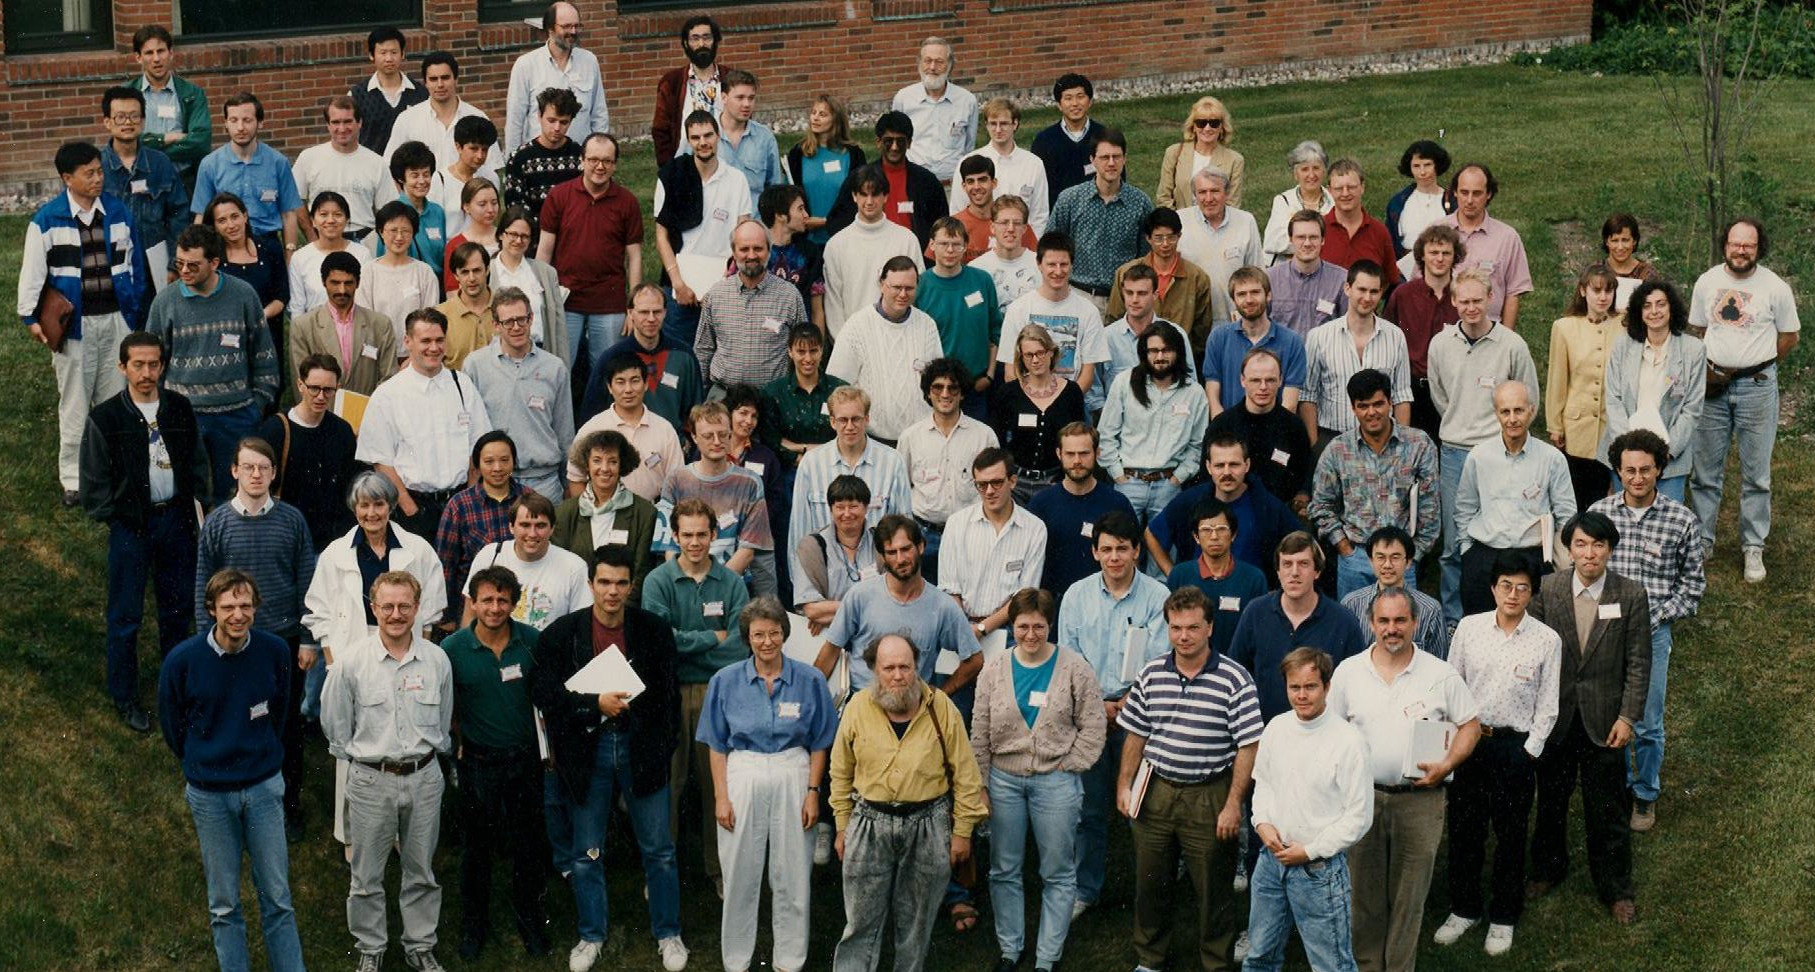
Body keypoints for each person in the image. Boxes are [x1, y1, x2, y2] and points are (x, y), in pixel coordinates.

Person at [530, 548, 690, 972]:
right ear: (590, 584)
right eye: (604, 582)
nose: (612, 591)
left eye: (621, 583)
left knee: (659, 849)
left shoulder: (653, 630)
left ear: (631, 585)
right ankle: (591, 935)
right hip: (588, 750)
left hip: (641, 749)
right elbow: (545, 694)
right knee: (587, 852)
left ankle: (668, 932)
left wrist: (661, 746)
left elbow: (669, 698)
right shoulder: (564, 633)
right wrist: (593, 704)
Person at [157, 569, 306, 972]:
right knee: (224, 905)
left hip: (263, 789)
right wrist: (203, 760)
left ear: (256, 607)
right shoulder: (183, 661)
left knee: (278, 898)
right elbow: (173, 727)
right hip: (210, 795)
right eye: (228, 607)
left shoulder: (275, 651)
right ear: (211, 610)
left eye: (245, 605)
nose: (238, 615)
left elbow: (280, 713)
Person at [1327, 588, 1481, 972]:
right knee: (1363, 897)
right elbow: (1330, 733)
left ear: (1414, 622)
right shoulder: (1348, 672)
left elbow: (1470, 726)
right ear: (1371, 623)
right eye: (1383, 621)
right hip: (1363, 801)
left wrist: (1447, 764)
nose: (1391, 629)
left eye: (1400, 620)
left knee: (1409, 899)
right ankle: (1367, 966)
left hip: (1420, 801)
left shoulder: (1440, 674)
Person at [1115, 586, 1262, 972]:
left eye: (1193, 627)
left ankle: (1215, 962)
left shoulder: (1234, 678)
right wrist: (1124, 785)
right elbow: (1136, 735)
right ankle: (1150, 958)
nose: (1184, 636)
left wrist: (1233, 804)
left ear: (1209, 627)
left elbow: (1248, 745)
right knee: (1150, 881)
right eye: (1176, 628)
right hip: (1156, 790)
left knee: (1214, 888)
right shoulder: (1151, 673)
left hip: (1209, 793)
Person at [321, 570, 454, 972]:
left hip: (424, 778)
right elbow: (336, 724)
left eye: (404, 606)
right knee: (365, 874)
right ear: (374, 608)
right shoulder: (352, 662)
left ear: (417, 608)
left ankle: (420, 944)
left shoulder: (436, 660)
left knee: (421, 870)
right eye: (388, 606)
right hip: (370, 780)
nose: (396, 614)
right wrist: (366, 759)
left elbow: (443, 722)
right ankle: (370, 946)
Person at [1526, 512, 1652, 925]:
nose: (1589, 553)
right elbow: (1534, 654)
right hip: (1557, 720)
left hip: (1605, 723)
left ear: (1610, 550)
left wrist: (1628, 718)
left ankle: (1615, 888)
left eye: (1598, 545)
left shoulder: (1630, 594)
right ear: (1568, 549)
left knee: (1608, 810)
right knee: (1551, 802)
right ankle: (1548, 869)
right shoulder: (1548, 589)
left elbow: (1639, 663)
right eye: (1580, 544)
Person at [699, 598, 838, 972]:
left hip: (793, 769)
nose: (767, 642)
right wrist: (722, 797)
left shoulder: (810, 680)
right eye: (758, 635)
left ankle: (789, 959)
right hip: (743, 770)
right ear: (747, 637)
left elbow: (820, 742)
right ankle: (736, 959)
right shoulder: (725, 681)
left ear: (784, 635)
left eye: (774, 633)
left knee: (793, 870)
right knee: (739, 870)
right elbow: (716, 745)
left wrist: (813, 794)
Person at [1433, 553, 1561, 957]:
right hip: (1470, 742)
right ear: (1493, 588)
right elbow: (1451, 687)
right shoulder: (1469, 629)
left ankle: (1504, 917)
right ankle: (1464, 909)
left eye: (1522, 587)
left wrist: (1528, 753)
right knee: (1465, 830)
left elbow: (1548, 707)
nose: (1513, 594)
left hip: (1514, 748)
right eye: (1506, 585)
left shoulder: (1547, 640)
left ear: (1532, 593)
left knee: (1510, 835)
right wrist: (1451, 746)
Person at [971, 588, 1106, 972]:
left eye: (1039, 627)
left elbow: (1094, 724)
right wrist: (981, 783)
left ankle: (1047, 957)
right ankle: (1010, 950)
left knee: (1058, 872)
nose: (1031, 635)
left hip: (1055, 781)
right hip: (1004, 781)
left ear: (1051, 625)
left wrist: (1071, 764)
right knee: (1004, 868)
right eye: (1023, 627)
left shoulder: (1074, 667)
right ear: (1012, 627)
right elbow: (979, 730)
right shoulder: (994, 668)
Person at [81, 331, 205, 731]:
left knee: (177, 610)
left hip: (175, 523)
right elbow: (93, 481)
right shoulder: (106, 418)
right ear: (123, 367)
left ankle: (177, 690)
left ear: (162, 366)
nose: (147, 373)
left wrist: (195, 507)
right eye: (138, 365)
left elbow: (197, 464)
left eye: (153, 364)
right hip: (131, 527)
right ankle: (124, 695)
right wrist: (117, 517)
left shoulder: (179, 409)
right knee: (125, 615)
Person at [193, 437, 318, 835]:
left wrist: (309, 638)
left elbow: (308, 582)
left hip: (283, 641)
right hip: (232, 643)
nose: (256, 474)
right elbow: (204, 586)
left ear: (274, 473)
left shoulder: (292, 520)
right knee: (236, 721)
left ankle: (288, 807)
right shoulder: (217, 523)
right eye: (248, 467)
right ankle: (236, 804)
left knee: (285, 726)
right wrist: (207, 644)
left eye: (264, 467)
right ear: (234, 471)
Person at [1050, 512, 1168, 916]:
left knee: (1143, 807)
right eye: (1106, 549)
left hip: (1142, 715)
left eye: (1122, 548)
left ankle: (1150, 892)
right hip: (1089, 713)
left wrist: (1131, 702)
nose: (1114, 557)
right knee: (1089, 808)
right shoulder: (1076, 596)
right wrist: (1097, 704)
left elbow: (1161, 659)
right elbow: (1069, 659)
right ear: (1094, 552)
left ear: (1136, 551)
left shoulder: (1157, 597)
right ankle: (1086, 890)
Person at [21, 140, 149, 506]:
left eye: (99, 171)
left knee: (115, 399)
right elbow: (33, 273)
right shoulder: (47, 220)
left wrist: (133, 310)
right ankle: (74, 479)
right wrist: (30, 316)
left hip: (116, 321)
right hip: (74, 328)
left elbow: (135, 264)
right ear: (67, 178)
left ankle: (116, 470)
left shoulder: (118, 212)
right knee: (75, 403)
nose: (98, 178)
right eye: (88, 173)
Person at [1589, 430, 1705, 832]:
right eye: (1629, 471)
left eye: (1645, 470)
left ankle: (1645, 794)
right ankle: (1618, 785)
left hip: (1652, 634)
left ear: (1659, 470)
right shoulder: (1600, 514)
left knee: (1648, 722)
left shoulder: (1681, 520)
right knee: (1610, 713)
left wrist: (1657, 616)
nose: (1637, 478)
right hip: (1606, 631)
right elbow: (1584, 571)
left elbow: (1693, 587)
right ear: (1618, 471)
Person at [643, 497, 754, 895]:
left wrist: (685, 644)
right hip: (669, 692)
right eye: (686, 535)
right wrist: (711, 638)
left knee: (716, 786)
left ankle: (718, 867)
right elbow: (658, 643)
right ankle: (661, 871)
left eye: (701, 535)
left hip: (717, 693)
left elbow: (740, 646)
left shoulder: (732, 583)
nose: (694, 543)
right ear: (674, 536)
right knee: (668, 785)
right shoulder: (658, 581)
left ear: (714, 535)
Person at [443, 565, 551, 960]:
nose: (494, 607)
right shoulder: (453, 648)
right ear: (473, 602)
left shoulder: (532, 641)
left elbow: (545, 696)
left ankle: (531, 922)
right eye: (486, 599)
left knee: (528, 847)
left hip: (524, 761)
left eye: (503, 600)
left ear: (514, 603)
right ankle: (473, 926)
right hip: (478, 762)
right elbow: (448, 704)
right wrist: (458, 739)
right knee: (477, 850)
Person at [1244, 647, 1373, 972]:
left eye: (1310, 687)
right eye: (1294, 687)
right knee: (1259, 956)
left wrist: (1310, 851)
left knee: (1331, 965)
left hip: (1318, 870)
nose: (1301, 696)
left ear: (1327, 687)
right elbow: (1263, 785)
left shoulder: (1348, 741)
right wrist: (1262, 824)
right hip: (1271, 862)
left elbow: (1359, 817)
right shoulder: (1276, 728)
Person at [1687, 216, 1798, 582]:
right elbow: (1698, 329)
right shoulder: (1707, 282)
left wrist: (1758, 364)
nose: (1741, 250)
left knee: (1757, 475)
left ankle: (1753, 546)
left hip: (1757, 386)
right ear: (1725, 245)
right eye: (1735, 243)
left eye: (1748, 245)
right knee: (1705, 472)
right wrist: (1716, 368)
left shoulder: (1775, 287)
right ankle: (1702, 540)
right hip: (1713, 386)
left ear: (1758, 248)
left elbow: (1789, 337)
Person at [1430, 270, 1541, 621]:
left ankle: (1503, 615)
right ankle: (1454, 619)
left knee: (1500, 536)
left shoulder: (1512, 345)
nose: (1471, 307)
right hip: (1456, 451)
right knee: (1453, 543)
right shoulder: (1440, 344)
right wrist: (1461, 424)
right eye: (1464, 301)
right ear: (1453, 301)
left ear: (1491, 299)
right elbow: (1440, 396)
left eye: (1477, 300)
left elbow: (1529, 399)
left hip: (1500, 452)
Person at [147, 224, 279, 506]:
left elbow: (264, 354)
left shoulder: (243, 295)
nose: (184, 271)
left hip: (237, 415)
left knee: (233, 495)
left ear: (215, 262)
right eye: (179, 263)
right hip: (182, 415)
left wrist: (257, 404)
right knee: (184, 493)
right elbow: (152, 361)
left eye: (193, 265)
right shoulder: (165, 301)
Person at [301, 470, 448, 716]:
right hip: (352, 648)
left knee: (402, 714)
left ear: (391, 506)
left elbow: (431, 609)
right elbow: (319, 613)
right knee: (357, 718)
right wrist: (332, 663)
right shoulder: (334, 553)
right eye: (364, 505)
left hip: (404, 646)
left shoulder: (418, 549)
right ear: (354, 508)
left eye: (379, 504)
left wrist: (420, 652)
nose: (372, 513)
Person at [357, 308, 495, 538]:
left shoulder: (462, 385)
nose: (434, 347)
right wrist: (410, 509)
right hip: (413, 509)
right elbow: (381, 462)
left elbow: (479, 446)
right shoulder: (388, 394)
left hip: (461, 504)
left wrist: (470, 497)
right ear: (407, 342)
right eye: (426, 341)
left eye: (439, 340)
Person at [812, 514, 983, 694]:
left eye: (906, 549)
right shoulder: (860, 595)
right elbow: (830, 651)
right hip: (863, 702)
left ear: (921, 547)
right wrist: (810, 697)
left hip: (913, 705)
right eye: (892, 552)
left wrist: (939, 697)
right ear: (883, 557)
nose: (900, 559)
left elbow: (975, 659)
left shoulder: (942, 605)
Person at [1307, 368, 1441, 597]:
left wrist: (1414, 555)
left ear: (1390, 402)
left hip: (1401, 559)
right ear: (1353, 408)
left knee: (1401, 620)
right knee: (1354, 621)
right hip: (1355, 559)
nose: (1371, 412)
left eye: (1378, 404)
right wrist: (1345, 549)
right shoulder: (1337, 450)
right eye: (1363, 406)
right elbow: (1320, 505)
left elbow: (1430, 508)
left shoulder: (1419, 444)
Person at [1453, 380, 1574, 617]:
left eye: (1518, 410)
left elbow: (1566, 515)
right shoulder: (1479, 457)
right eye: (1505, 411)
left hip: (1533, 558)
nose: (1512, 419)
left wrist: (1556, 563)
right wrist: (1468, 551)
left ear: (1531, 410)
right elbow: (1464, 508)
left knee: (1535, 630)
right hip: (1485, 558)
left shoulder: (1552, 459)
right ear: (1496, 414)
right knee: (1481, 628)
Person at [537, 133, 644, 374]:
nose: (600, 166)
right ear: (582, 161)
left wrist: (633, 305)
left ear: (615, 165)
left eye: (607, 161)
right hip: (565, 301)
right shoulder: (559, 196)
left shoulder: (627, 202)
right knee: (559, 370)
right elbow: (544, 251)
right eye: (594, 159)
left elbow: (635, 256)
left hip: (609, 302)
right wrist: (542, 298)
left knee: (610, 371)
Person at [462, 287, 573, 498]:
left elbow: (565, 432)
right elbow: (468, 428)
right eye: (508, 322)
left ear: (531, 319)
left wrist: (568, 484)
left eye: (522, 319)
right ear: (496, 325)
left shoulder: (554, 367)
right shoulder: (475, 365)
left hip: (544, 482)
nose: (516, 327)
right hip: (494, 482)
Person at [655, 110, 752, 347]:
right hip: (680, 287)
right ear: (688, 141)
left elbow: (743, 234)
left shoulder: (736, 180)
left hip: (724, 284)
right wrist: (678, 283)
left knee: (724, 354)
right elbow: (661, 236)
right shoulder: (671, 175)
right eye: (696, 137)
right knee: (679, 355)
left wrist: (727, 281)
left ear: (718, 136)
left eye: (708, 135)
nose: (703, 142)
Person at [1146, 436, 1301, 580]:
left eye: (1234, 465)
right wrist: (1175, 577)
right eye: (1219, 465)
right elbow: (1151, 534)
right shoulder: (1191, 500)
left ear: (1246, 465)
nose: (1227, 472)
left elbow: (1301, 543)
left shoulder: (1266, 505)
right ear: (1208, 467)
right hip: (1198, 593)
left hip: (1249, 594)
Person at [1098, 321, 1207, 523]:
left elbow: (1198, 444)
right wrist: (1117, 474)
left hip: (1169, 485)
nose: (1160, 357)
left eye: (1167, 350)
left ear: (1178, 352)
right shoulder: (1124, 382)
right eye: (1154, 351)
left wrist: (1178, 478)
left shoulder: (1194, 392)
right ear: (1144, 353)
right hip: (1128, 482)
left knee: (1164, 544)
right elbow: (1106, 434)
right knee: (1123, 541)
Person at [937, 448, 1049, 644]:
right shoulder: (956, 523)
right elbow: (949, 588)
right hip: (960, 624)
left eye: (996, 483)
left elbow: (1024, 596)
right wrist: (965, 630)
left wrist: (982, 629)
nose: (989, 491)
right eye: (981, 485)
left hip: (1009, 630)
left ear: (1012, 481)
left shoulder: (1035, 528)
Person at [897, 358, 1000, 568]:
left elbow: (996, 486)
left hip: (971, 535)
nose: (945, 394)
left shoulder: (984, 436)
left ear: (962, 393)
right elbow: (901, 489)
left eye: (953, 388)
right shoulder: (910, 437)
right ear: (928, 392)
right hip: (924, 536)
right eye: (938, 387)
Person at [654, 403, 773, 584]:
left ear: (730, 433)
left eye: (723, 434)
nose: (717, 442)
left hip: (731, 583)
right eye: (708, 436)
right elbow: (668, 546)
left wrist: (714, 587)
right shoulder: (676, 480)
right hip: (683, 582)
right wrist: (687, 584)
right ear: (694, 437)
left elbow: (748, 550)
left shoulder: (750, 483)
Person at [828, 258, 944, 442]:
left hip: (920, 438)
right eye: (896, 287)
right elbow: (836, 385)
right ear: (882, 285)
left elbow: (938, 382)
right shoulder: (856, 327)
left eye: (909, 288)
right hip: (872, 438)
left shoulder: (927, 325)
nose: (903, 294)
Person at [258, 353, 361, 557]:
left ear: (337, 388)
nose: (321, 396)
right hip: (286, 541)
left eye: (328, 390)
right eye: (314, 388)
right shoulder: (276, 429)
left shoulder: (341, 431)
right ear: (300, 385)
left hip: (331, 544)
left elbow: (351, 487)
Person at [788, 387, 913, 553]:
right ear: (832, 422)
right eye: (843, 420)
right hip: (824, 564)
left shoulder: (892, 462)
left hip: (876, 564)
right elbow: (799, 529)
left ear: (866, 419)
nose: (849, 426)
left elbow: (903, 524)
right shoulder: (811, 464)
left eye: (856, 419)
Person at [1300, 262, 1412, 447]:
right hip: (1332, 438)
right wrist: (1314, 445)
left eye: (1374, 291)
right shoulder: (1319, 337)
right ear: (1347, 288)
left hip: (1381, 440)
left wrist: (1400, 446)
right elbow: (1307, 396)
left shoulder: (1395, 336)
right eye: (1362, 290)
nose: (1367, 298)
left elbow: (1401, 396)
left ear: (1381, 293)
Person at [997, 233, 1110, 410]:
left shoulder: (1088, 311)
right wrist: (1035, 405)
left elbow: (1087, 375)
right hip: (1027, 405)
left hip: (1071, 403)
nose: (1058, 271)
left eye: (1063, 264)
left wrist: (1060, 406)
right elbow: (1010, 372)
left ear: (1072, 265)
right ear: (1039, 264)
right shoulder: (1018, 309)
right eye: (1051, 264)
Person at [1046, 129, 1151, 315]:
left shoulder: (1140, 203)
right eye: (1104, 157)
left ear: (1124, 159)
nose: (1111, 163)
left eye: (1116, 157)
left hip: (1123, 299)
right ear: (1092, 160)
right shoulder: (1070, 199)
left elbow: (1146, 254)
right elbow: (1051, 246)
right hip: (1078, 295)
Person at [1025, 423, 1137, 597]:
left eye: (1084, 453)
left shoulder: (1117, 503)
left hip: (1103, 601)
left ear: (1097, 453)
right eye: (1070, 454)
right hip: (1052, 604)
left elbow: (1132, 558)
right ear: (1059, 454)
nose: (1077, 461)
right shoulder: (1041, 504)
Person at [696, 218, 809, 390]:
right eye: (744, 249)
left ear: (769, 251)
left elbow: (803, 348)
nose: (751, 255)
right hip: (724, 396)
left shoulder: (789, 296)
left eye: (758, 248)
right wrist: (700, 395)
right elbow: (703, 349)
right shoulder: (716, 295)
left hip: (772, 396)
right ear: (734, 253)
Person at [1546, 264, 1623, 510]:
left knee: (1605, 496)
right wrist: (1555, 424)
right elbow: (1557, 378)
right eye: (1596, 291)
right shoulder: (1565, 327)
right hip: (1576, 426)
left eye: (1608, 291)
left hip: (1610, 427)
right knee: (1576, 497)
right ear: (1582, 291)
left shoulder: (1623, 326)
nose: (1603, 297)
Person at [823, 163, 929, 336]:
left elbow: (918, 294)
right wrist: (845, 343)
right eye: (864, 194)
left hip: (901, 336)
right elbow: (833, 304)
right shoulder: (836, 245)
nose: (870, 201)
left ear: (885, 196)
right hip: (853, 340)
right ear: (854, 196)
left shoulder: (907, 240)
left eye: (875, 194)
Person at [100, 85, 188, 291]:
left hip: (155, 265)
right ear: (107, 122)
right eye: (120, 117)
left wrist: (174, 263)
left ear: (143, 121)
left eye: (134, 116)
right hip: (110, 266)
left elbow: (179, 215)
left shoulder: (160, 164)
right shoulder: (96, 167)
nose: (128, 123)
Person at [552, 428, 660, 596]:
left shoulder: (645, 513)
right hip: (576, 604)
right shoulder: (565, 513)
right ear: (586, 464)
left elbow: (641, 573)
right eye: (597, 460)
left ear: (622, 465)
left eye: (612, 461)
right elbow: (560, 571)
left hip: (625, 605)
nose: (604, 468)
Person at [567, 352, 686, 501]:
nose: (628, 389)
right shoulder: (592, 429)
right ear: (609, 387)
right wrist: (590, 511)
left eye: (635, 381)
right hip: (604, 512)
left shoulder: (664, 429)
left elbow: (678, 482)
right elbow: (576, 479)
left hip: (654, 512)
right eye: (620, 382)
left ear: (646, 384)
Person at [1383, 223, 1464, 442]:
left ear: (1455, 257)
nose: (1440, 259)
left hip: (1452, 391)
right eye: (1433, 252)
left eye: (1446, 253)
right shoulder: (1403, 295)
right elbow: (1387, 339)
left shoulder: (1463, 296)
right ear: (1422, 255)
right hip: (1412, 391)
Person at [463, 492, 592, 630]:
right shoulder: (490, 556)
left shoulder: (574, 567)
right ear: (511, 527)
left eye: (540, 526)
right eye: (525, 525)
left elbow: (582, 625)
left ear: (552, 528)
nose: (532, 534)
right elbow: (470, 617)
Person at [192, 93, 303, 251]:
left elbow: (288, 214)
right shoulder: (209, 165)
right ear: (225, 123)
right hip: (225, 247)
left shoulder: (278, 162)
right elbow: (201, 216)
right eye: (233, 120)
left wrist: (289, 253)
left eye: (247, 120)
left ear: (260, 122)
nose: (240, 128)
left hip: (268, 245)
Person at [1205, 346, 1313, 508]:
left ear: (1280, 380)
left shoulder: (1294, 427)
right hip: (1229, 512)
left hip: (1278, 512)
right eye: (1255, 380)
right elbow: (1206, 478)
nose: (1263, 387)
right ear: (1242, 380)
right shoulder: (1221, 425)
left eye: (1270, 380)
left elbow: (1303, 478)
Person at [991, 324, 1088, 502]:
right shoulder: (1008, 392)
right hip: (1016, 483)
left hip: (1054, 482)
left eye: (1040, 353)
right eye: (1029, 355)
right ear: (1021, 358)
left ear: (1051, 352)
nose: (1035, 360)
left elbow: (1079, 438)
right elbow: (998, 439)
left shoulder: (1071, 392)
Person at [915, 219, 1001, 418]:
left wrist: (989, 375)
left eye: (956, 244)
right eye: (944, 243)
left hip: (976, 387)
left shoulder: (982, 280)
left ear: (965, 246)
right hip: (936, 391)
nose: (950, 250)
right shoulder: (920, 285)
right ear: (931, 245)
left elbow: (995, 330)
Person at [825, 111, 950, 247]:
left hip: (914, 254)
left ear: (909, 143)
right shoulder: (858, 179)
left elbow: (942, 226)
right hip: (870, 252)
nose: (894, 147)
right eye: (889, 141)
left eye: (900, 141)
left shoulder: (927, 182)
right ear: (878, 142)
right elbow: (836, 222)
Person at [435, 432, 528, 613]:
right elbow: (446, 564)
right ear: (477, 465)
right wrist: (446, 615)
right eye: (489, 461)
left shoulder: (528, 498)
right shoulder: (459, 505)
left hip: (522, 601)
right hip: (474, 605)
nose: (497, 468)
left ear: (514, 462)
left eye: (504, 460)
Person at [1163, 500, 1268, 658]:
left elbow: (1258, 634)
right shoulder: (1180, 575)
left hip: (1238, 666)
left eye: (1221, 529)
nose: (1214, 536)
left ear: (1233, 535)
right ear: (1196, 537)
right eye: (1206, 530)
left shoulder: (1254, 578)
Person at [588, 283, 703, 428]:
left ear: (665, 312)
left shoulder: (684, 355)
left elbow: (696, 413)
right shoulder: (611, 358)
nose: (651, 318)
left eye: (657, 312)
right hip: (624, 440)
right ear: (630, 313)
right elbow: (593, 416)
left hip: (672, 440)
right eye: (644, 312)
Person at [1107, 208, 1217, 353]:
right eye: (1158, 238)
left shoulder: (1197, 277)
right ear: (1148, 238)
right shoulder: (1125, 273)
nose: (1165, 244)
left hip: (1179, 355)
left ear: (1179, 236)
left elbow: (1202, 329)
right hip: (1133, 353)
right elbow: (1114, 318)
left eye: (1171, 237)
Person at [505, 2, 607, 154]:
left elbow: (599, 114)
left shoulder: (589, 61)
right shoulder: (526, 65)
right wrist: (512, 160)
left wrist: (601, 153)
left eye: (577, 26)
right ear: (550, 29)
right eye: (566, 26)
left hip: (580, 157)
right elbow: (515, 120)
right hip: (538, 159)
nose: (573, 31)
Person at [1172, 167, 1262, 341]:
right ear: (1194, 195)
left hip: (1236, 321)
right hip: (1192, 323)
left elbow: (1256, 273)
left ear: (1226, 193)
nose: (1208, 198)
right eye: (1202, 192)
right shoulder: (1180, 221)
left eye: (1215, 191)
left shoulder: (1246, 221)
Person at [1439, 163, 1531, 330]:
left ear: (1488, 194)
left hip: (1490, 332)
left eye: (1477, 193)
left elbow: (1513, 293)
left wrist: (1506, 338)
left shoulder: (1507, 238)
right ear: (1454, 192)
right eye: (1464, 192)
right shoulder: (1436, 232)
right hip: (1444, 332)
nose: (1469, 200)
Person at [289, 252, 395, 395]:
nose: (342, 290)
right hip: (322, 408)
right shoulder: (303, 326)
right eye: (335, 283)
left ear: (358, 283)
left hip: (369, 407)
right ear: (323, 282)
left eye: (348, 283)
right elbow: (301, 382)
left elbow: (389, 378)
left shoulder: (381, 325)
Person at [1204, 269, 1307, 417]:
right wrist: (1222, 427)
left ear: (1268, 295)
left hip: (1275, 428)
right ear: (1233, 301)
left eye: (1255, 292)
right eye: (1241, 294)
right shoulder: (1218, 338)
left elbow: (1289, 403)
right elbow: (1213, 393)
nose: (1249, 300)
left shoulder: (1292, 342)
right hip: (1229, 428)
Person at [383, 51, 500, 177]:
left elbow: (493, 168)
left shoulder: (478, 117)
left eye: (445, 78)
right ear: (425, 83)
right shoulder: (407, 120)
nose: (440, 85)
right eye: (433, 79)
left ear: (456, 79)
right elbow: (390, 167)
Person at [1339, 527, 1448, 659]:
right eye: (1380, 557)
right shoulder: (1351, 604)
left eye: (1395, 558)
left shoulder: (1430, 610)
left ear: (1408, 562)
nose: (1387, 565)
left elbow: (1438, 663)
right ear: (1371, 561)